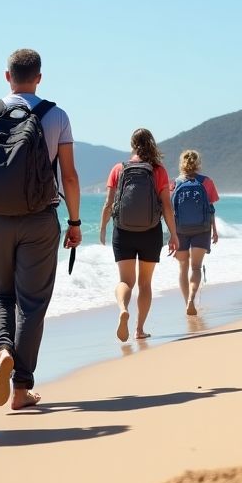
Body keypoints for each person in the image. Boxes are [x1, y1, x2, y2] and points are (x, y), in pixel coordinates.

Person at [0, 49, 82, 410]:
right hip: (40, 219)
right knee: (32, 304)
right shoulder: (56, 115)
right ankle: (21, 388)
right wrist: (74, 222)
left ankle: (2, 351)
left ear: (7, 76)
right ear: (38, 77)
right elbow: (69, 176)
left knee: (0, 295)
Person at [100, 128, 179, 341]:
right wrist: (173, 234)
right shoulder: (158, 170)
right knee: (145, 283)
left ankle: (123, 309)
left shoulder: (118, 169)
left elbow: (108, 203)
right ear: (151, 143)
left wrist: (103, 227)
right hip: (150, 233)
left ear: (132, 145)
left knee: (125, 281)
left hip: (123, 232)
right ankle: (139, 329)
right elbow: (167, 205)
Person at [171, 149, 220, 316]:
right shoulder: (207, 182)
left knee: (183, 268)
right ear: (198, 163)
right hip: (202, 229)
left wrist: (171, 234)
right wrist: (214, 230)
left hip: (180, 230)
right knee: (196, 267)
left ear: (181, 163)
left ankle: (187, 302)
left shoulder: (175, 183)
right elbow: (210, 209)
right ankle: (192, 299)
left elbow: (170, 210)